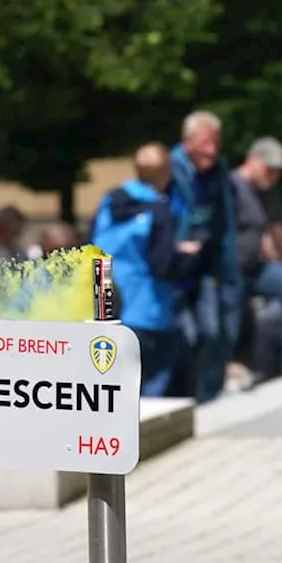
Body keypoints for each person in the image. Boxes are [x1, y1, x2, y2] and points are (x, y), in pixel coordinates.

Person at [91, 143, 202, 396]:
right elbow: (162, 266)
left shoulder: (108, 202)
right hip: (147, 310)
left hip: (106, 307)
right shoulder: (158, 209)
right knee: (154, 379)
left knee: (111, 386)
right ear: (166, 172)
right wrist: (185, 256)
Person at [169, 110, 240, 402]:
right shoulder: (171, 168)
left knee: (211, 331)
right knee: (183, 336)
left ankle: (204, 395)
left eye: (215, 143)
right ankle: (178, 396)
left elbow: (224, 220)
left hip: (205, 266)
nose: (211, 150)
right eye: (204, 143)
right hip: (175, 268)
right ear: (187, 143)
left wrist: (224, 267)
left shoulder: (218, 169)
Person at [232, 138, 282, 374]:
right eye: (268, 168)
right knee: (232, 320)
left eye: (277, 171)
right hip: (229, 269)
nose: (272, 175)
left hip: (255, 267)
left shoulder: (268, 193)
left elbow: (278, 231)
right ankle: (228, 369)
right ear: (251, 159)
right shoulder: (231, 187)